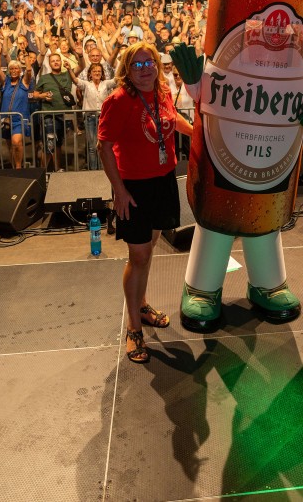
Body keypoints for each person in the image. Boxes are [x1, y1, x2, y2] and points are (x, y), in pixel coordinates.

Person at [97, 42, 193, 365]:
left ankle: (142, 304)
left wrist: (195, 132)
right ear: (127, 69)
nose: (144, 69)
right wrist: (119, 191)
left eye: (148, 63)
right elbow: (104, 146)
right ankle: (133, 328)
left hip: (163, 182)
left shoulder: (162, 91)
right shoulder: (119, 100)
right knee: (138, 256)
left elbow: (171, 117)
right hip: (134, 188)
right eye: (136, 65)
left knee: (148, 251)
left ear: (157, 64)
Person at [0, 44, 34, 169]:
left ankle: (18, 168)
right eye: (12, 69)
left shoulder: (24, 82)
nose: (14, 70)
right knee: (10, 145)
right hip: (6, 118)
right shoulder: (6, 82)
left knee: (17, 142)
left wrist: (25, 55)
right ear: (9, 71)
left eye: (16, 68)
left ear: (19, 70)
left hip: (19, 119)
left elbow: (28, 70)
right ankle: (14, 167)